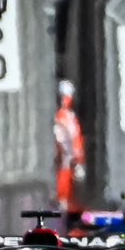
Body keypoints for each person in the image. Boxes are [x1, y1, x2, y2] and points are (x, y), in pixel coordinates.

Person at [53, 80, 86, 213]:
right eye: (62, 97)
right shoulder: (59, 116)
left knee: (73, 178)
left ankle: (69, 203)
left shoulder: (70, 116)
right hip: (64, 155)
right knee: (64, 173)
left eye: (67, 97)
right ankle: (62, 200)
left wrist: (78, 158)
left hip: (73, 155)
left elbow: (75, 137)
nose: (64, 100)